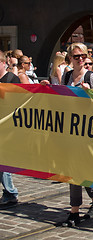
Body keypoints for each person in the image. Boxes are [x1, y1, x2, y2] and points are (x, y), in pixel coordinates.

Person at [41, 43, 93, 227]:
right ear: (70, 58)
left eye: (84, 56)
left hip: (87, 131)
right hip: (71, 129)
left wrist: (90, 93)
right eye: (77, 56)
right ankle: (92, 203)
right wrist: (48, 88)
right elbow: (62, 97)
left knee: (80, 170)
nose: (81, 59)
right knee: (74, 170)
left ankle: (77, 210)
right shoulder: (68, 75)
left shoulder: (91, 77)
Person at [0, 50, 20, 205]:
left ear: (3, 63)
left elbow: (20, 101)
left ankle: (10, 192)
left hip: (7, 125)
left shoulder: (12, 78)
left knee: (3, 160)